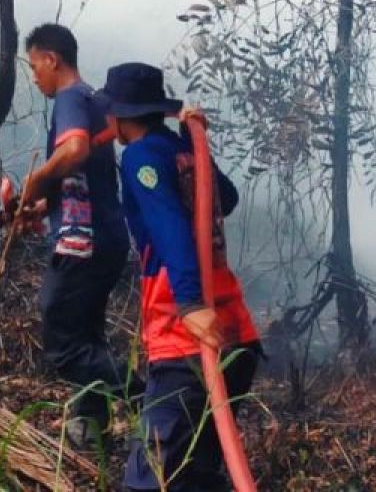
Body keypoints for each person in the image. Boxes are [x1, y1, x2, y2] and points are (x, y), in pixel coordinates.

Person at [96, 61, 262, 492]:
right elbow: (226, 198)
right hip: (235, 332)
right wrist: (195, 140)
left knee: (148, 479)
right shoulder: (179, 150)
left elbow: (168, 224)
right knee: (196, 474)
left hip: (187, 337)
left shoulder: (140, 156)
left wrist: (189, 303)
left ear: (121, 115)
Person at [18, 23, 133, 450]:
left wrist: (36, 179)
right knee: (87, 335)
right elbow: (88, 176)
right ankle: (92, 426)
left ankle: (157, 397)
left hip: (80, 243)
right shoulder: (96, 101)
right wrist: (42, 203)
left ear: (52, 59)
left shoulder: (69, 97)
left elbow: (75, 151)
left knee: (63, 344)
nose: (34, 77)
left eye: (34, 66)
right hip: (108, 238)